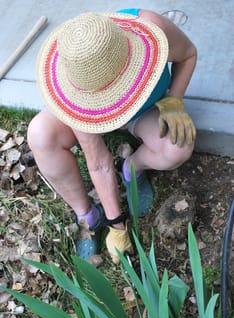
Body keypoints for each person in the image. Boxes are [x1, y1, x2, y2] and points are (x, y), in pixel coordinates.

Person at [28, 8, 197, 264]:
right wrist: (116, 225)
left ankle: (131, 168)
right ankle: (87, 217)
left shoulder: (154, 30)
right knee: (41, 134)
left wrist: (175, 99)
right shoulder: (78, 94)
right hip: (90, 112)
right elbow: (97, 161)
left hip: (143, 109)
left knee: (177, 147)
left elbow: (188, 54)